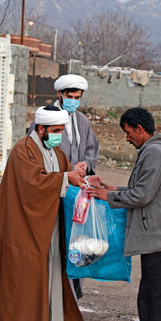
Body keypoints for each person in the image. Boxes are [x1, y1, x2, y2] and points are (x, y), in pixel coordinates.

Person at [0, 105, 89, 321]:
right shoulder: (23, 150)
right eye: (56, 130)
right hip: (21, 226)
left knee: (52, 277)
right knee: (21, 278)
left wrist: (80, 174)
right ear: (41, 129)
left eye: (61, 130)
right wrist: (64, 178)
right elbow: (32, 185)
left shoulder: (55, 151)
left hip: (48, 225)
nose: (59, 135)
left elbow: (65, 175)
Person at [87, 107, 161, 321]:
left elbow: (142, 195)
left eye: (128, 133)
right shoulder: (156, 151)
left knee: (157, 298)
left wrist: (108, 196)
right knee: (151, 296)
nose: (127, 138)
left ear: (140, 130)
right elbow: (142, 189)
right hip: (158, 237)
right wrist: (115, 189)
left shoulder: (155, 153)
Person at [29, 73, 100, 298]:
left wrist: (85, 165)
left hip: (75, 191)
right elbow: (36, 154)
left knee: (76, 240)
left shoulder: (81, 121)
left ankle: (72, 292)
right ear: (59, 94)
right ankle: (50, 291)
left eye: (78, 97)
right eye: (70, 96)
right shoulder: (46, 119)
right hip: (52, 188)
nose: (74, 101)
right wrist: (62, 174)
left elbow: (91, 149)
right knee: (53, 240)